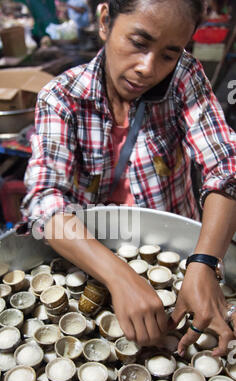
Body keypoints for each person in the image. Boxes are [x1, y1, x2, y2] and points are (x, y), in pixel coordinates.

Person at [20, 0, 236, 358]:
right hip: (91, 255)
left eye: (168, 54)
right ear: (105, 22)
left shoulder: (184, 77)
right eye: (138, 43)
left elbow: (226, 167)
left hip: (179, 252)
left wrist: (204, 263)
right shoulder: (61, 99)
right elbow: (45, 204)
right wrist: (119, 276)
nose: (147, 68)